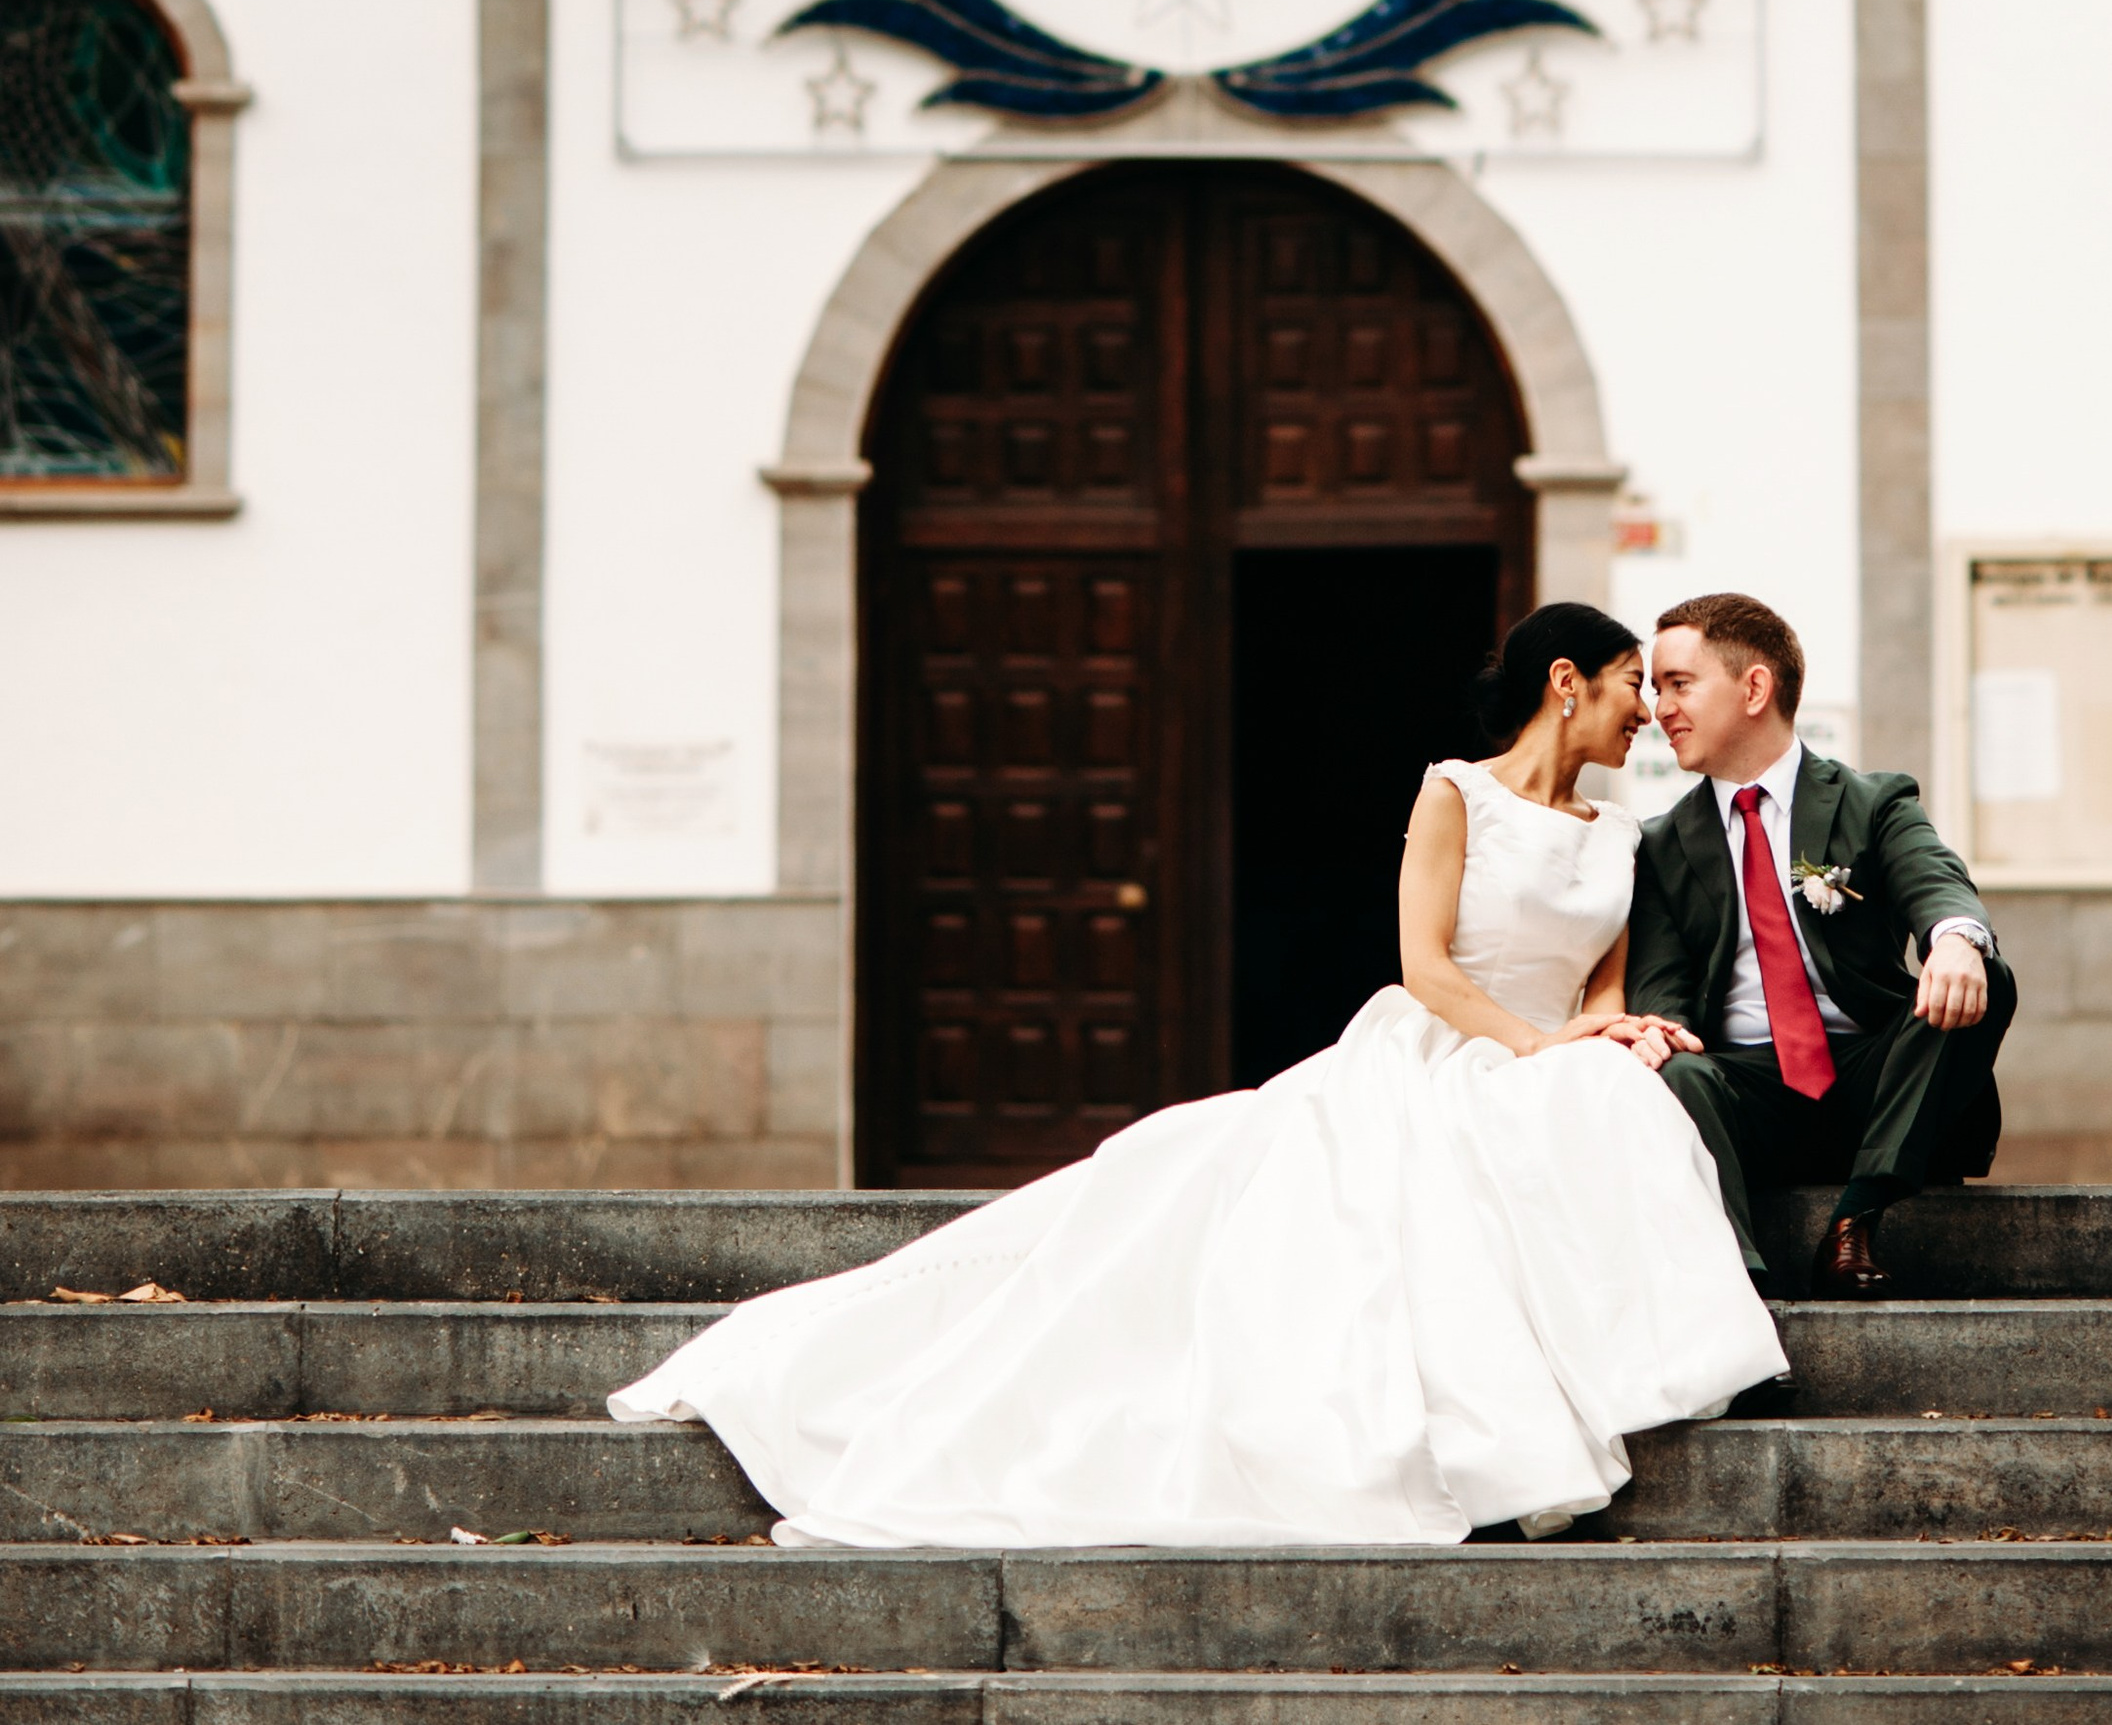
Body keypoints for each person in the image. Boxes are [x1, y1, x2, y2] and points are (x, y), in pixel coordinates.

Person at [607, 601, 1783, 1546]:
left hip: (1550, 1047)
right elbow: (1424, 966)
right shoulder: (1453, 790)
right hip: (1445, 1041)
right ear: (1566, 678)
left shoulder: (1618, 832)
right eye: (1638, 681)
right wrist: (1534, 1046)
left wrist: (1606, 1030)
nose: (1648, 711)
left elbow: (1604, 980)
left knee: (1611, 1096)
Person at [1625, 591, 2013, 1299]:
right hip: (1745, 1097)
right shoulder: (1659, 845)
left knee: (1988, 976)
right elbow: (1660, 983)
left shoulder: (1872, 801)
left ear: (1754, 687)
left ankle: (1854, 1219)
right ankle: (1740, 1282)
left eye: (1679, 683)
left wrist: (1955, 937)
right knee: (1679, 1074)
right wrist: (1660, 1028)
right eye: (1656, 689)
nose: (1659, 709)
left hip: (1876, 1082)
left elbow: (1934, 877)